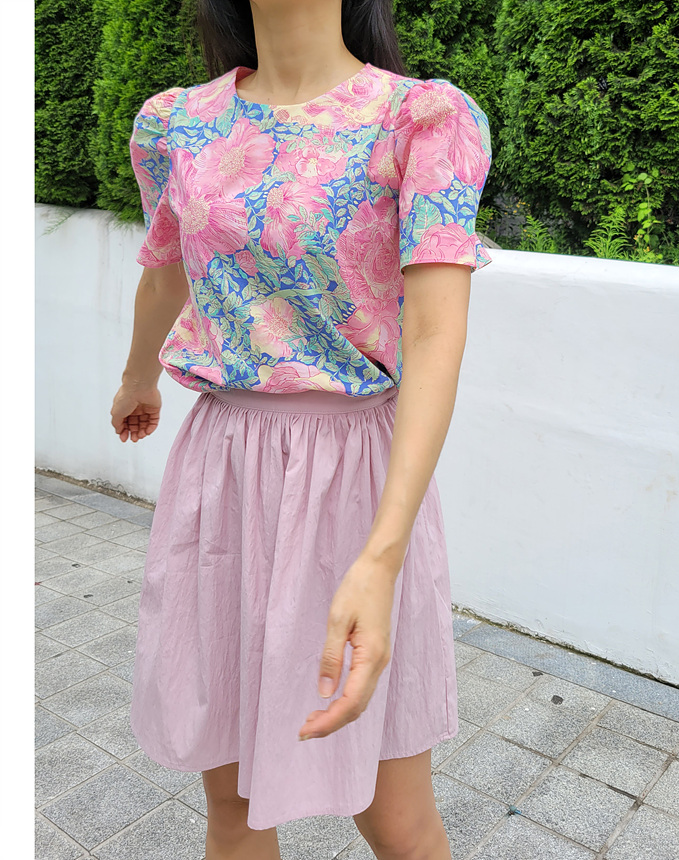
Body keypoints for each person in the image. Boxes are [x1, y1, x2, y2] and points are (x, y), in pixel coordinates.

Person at [109, 1, 493, 858]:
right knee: (235, 806)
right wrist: (138, 378)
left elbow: (436, 334)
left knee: (394, 817)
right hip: (224, 471)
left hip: (355, 480)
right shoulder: (175, 123)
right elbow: (167, 270)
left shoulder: (421, 118)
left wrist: (382, 557)